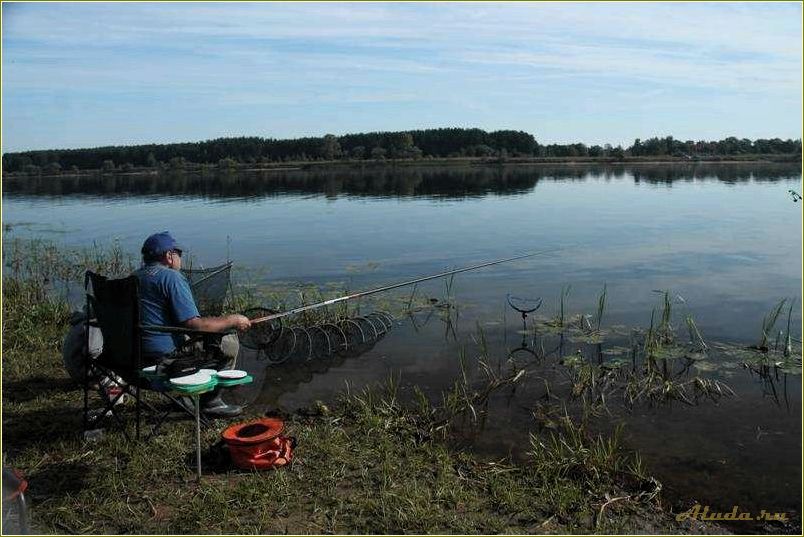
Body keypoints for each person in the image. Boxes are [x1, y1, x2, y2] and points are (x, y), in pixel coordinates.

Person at [134, 231, 251, 417]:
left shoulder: (134, 277)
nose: (180, 258)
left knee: (206, 338)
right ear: (169, 256)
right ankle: (210, 402)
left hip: (130, 360)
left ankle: (186, 399)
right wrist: (233, 320)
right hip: (164, 362)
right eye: (179, 254)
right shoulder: (171, 278)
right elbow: (194, 325)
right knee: (229, 341)